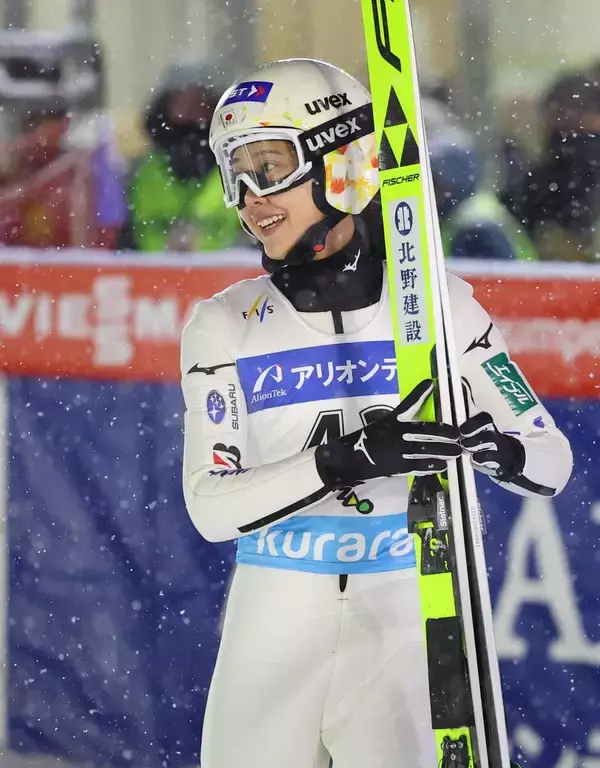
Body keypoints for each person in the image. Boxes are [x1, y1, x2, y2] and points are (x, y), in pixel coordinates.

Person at [180, 59, 573, 768]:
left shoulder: (438, 303)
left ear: (343, 163)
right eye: (234, 174)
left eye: (268, 167)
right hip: (274, 610)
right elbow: (210, 508)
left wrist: (496, 449)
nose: (248, 198)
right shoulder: (224, 322)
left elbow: (549, 456)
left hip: (402, 603)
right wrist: (346, 460)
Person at [129, 59, 240, 252]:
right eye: (183, 102)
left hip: (227, 278)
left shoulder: (243, 169)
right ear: (166, 108)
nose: (192, 113)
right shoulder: (139, 172)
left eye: (201, 102)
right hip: (152, 277)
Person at [502, 70, 600, 261]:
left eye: (577, 117)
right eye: (558, 116)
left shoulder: (539, 183)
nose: (566, 129)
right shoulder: (537, 185)